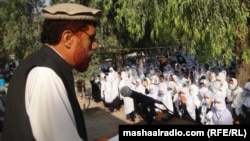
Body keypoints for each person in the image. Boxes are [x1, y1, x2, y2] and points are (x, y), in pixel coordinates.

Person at [2, 3, 101, 141]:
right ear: (68, 38)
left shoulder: (42, 65)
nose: (95, 45)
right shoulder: (45, 75)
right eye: (91, 38)